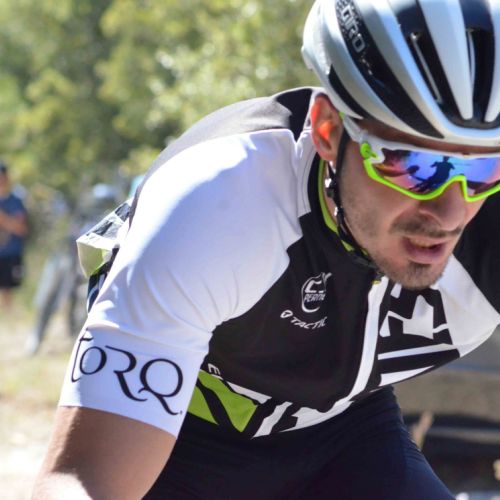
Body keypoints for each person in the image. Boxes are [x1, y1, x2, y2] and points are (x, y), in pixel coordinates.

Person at [33, 1, 500, 498]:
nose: (451, 212)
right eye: (415, 166)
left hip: (342, 434)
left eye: (485, 168)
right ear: (328, 130)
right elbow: (82, 480)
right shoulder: (219, 205)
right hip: (177, 431)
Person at [0, 162, 28, 311]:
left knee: (9, 288)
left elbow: (21, 229)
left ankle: (10, 317)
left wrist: (3, 219)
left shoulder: (16, 201)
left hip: (10, 253)